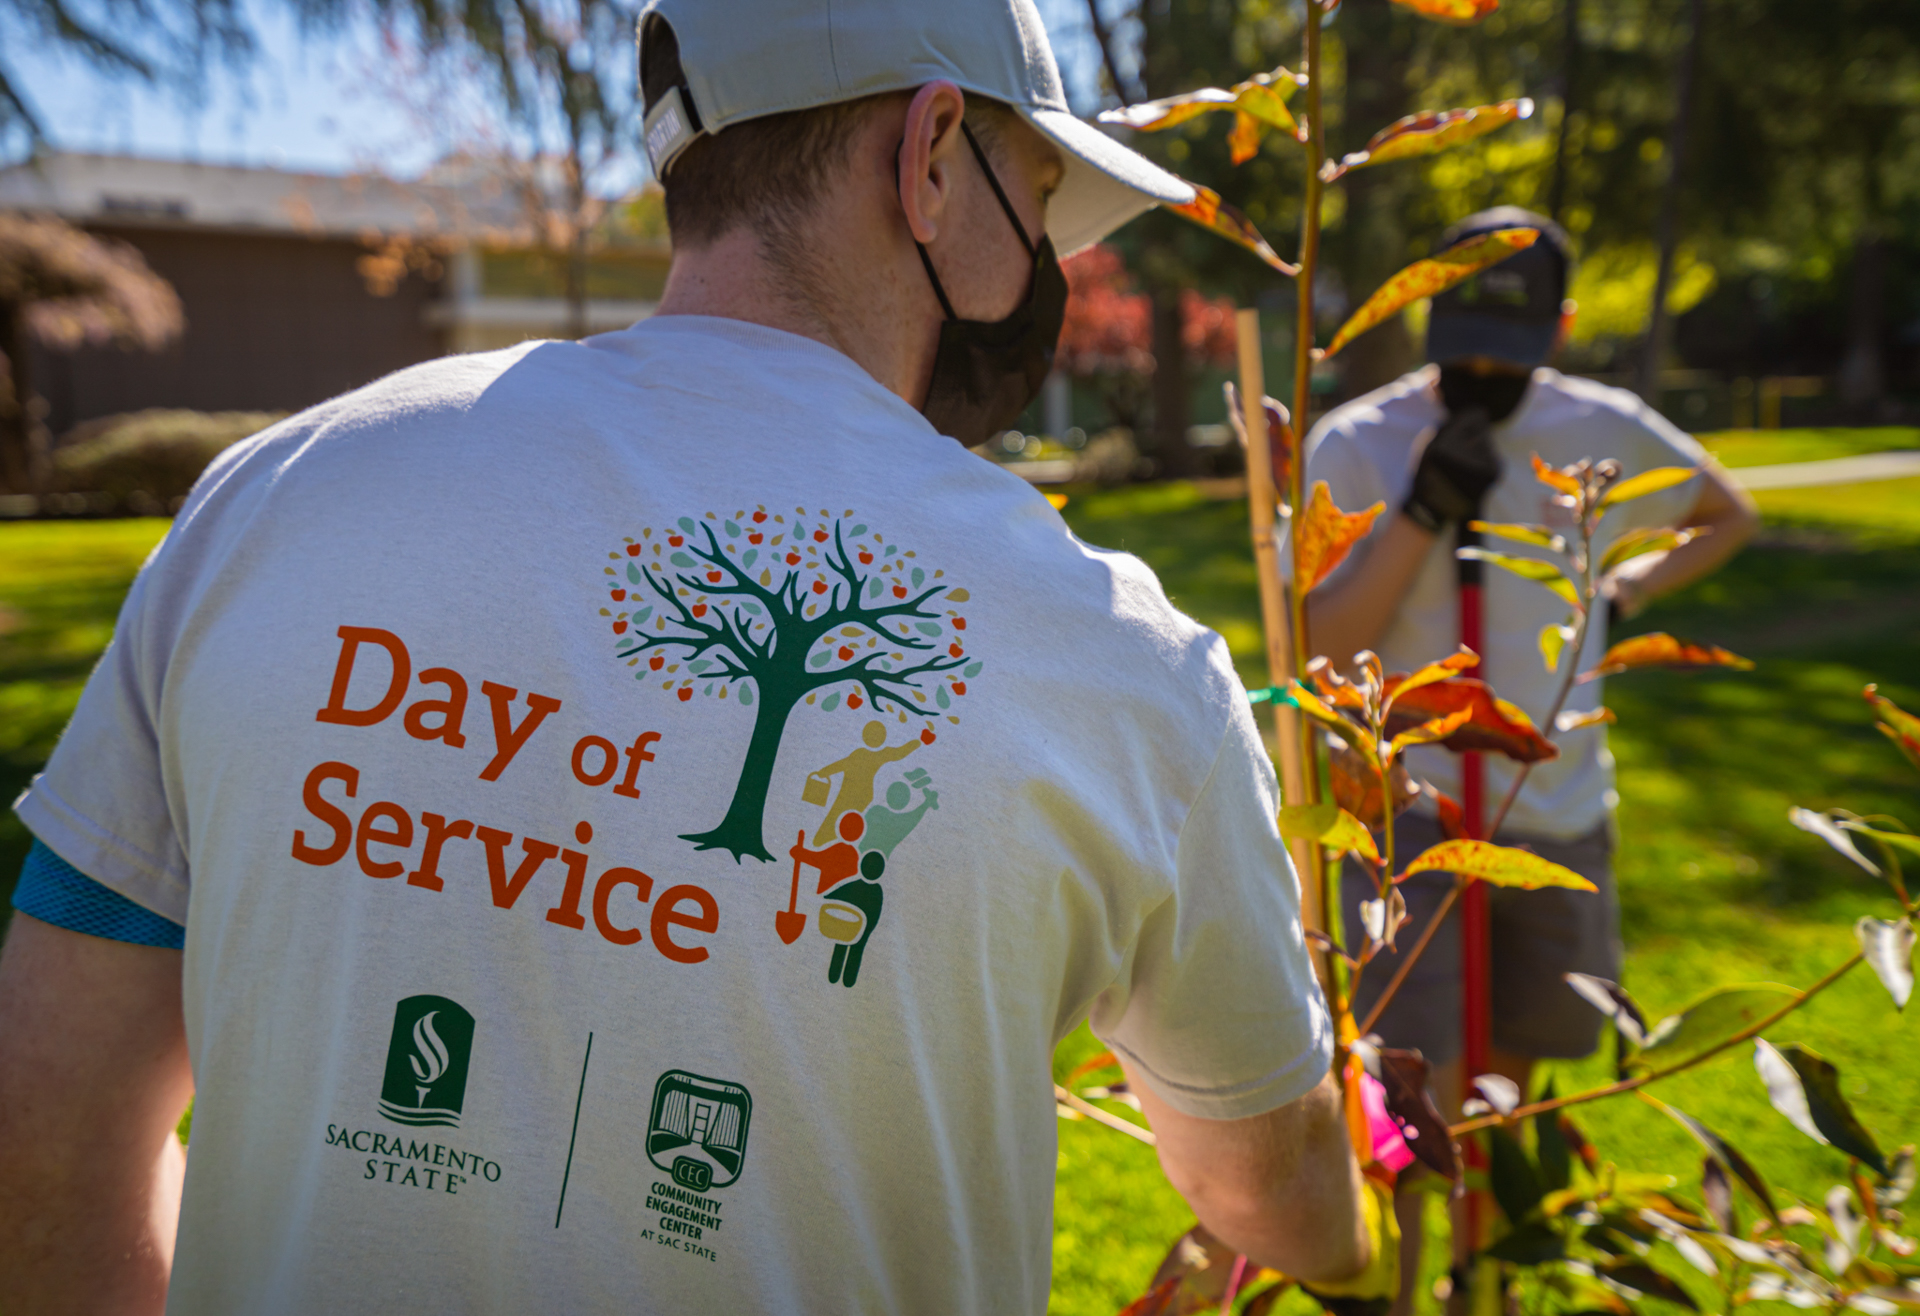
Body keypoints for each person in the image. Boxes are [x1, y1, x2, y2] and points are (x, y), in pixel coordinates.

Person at [0, 1, 1375, 1310]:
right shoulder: (1121, 663)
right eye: (1039, 196)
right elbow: (1279, 1191)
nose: (1050, 268)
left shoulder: (281, 495)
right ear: (936, 156)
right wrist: (1355, 1224)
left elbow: (48, 1147)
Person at [1299, 206, 1758, 1312]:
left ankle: (1489, 1290)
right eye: (1460, 338)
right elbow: (1318, 639)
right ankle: (1403, 1295)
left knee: (1512, 1084)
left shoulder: (1597, 426)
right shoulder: (1357, 442)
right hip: (1410, 814)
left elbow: (1727, 511)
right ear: (1423, 313)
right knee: (1413, 1102)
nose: (1484, 367)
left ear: (1560, 325)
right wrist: (1418, 510)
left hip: (1549, 806)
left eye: (1511, 344)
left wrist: (1622, 594)